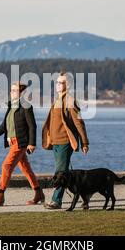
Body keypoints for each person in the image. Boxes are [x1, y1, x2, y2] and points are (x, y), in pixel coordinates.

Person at [0, 82, 45, 206]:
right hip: (12, 142)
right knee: (25, 168)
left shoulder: (26, 106)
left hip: (20, 143)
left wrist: (32, 143)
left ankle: (0, 195)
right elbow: (4, 125)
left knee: (6, 166)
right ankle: (38, 192)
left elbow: (32, 126)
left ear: (21, 93)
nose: (11, 92)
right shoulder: (11, 106)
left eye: (14, 90)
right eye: (11, 90)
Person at [42, 72, 89, 209]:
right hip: (55, 143)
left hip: (65, 142)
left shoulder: (70, 100)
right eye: (56, 82)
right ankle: (85, 197)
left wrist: (84, 142)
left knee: (60, 172)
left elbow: (79, 123)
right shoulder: (57, 99)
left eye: (60, 82)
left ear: (68, 85)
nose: (57, 85)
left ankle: (56, 200)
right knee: (65, 172)